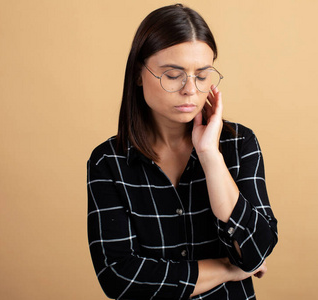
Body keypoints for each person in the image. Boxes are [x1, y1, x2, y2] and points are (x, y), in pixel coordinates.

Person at [87, 4, 278, 299]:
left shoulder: (239, 144)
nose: (190, 89)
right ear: (139, 74)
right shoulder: (108, 162)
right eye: (173, 75)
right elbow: (119, 277)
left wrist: (210, 156)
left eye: (202, 76)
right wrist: (228, 269)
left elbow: (256, 250)